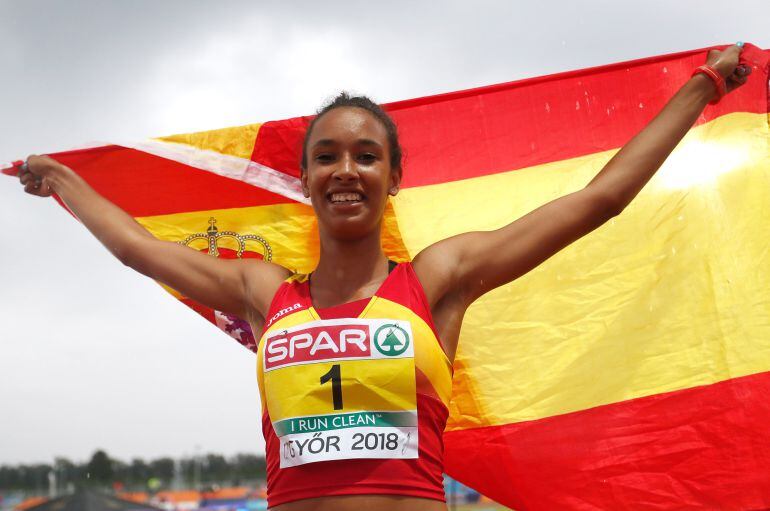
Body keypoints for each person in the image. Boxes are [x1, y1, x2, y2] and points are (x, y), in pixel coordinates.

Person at [16, 44, 751, 511]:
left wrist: (703, 86)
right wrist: (62, 182)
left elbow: (599, 200)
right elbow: (138, 249)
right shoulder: (263, 292)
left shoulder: (439, 280)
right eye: (326, 156)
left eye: (366, 156)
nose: (346, 170)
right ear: (305, 178)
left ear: (394, 176)